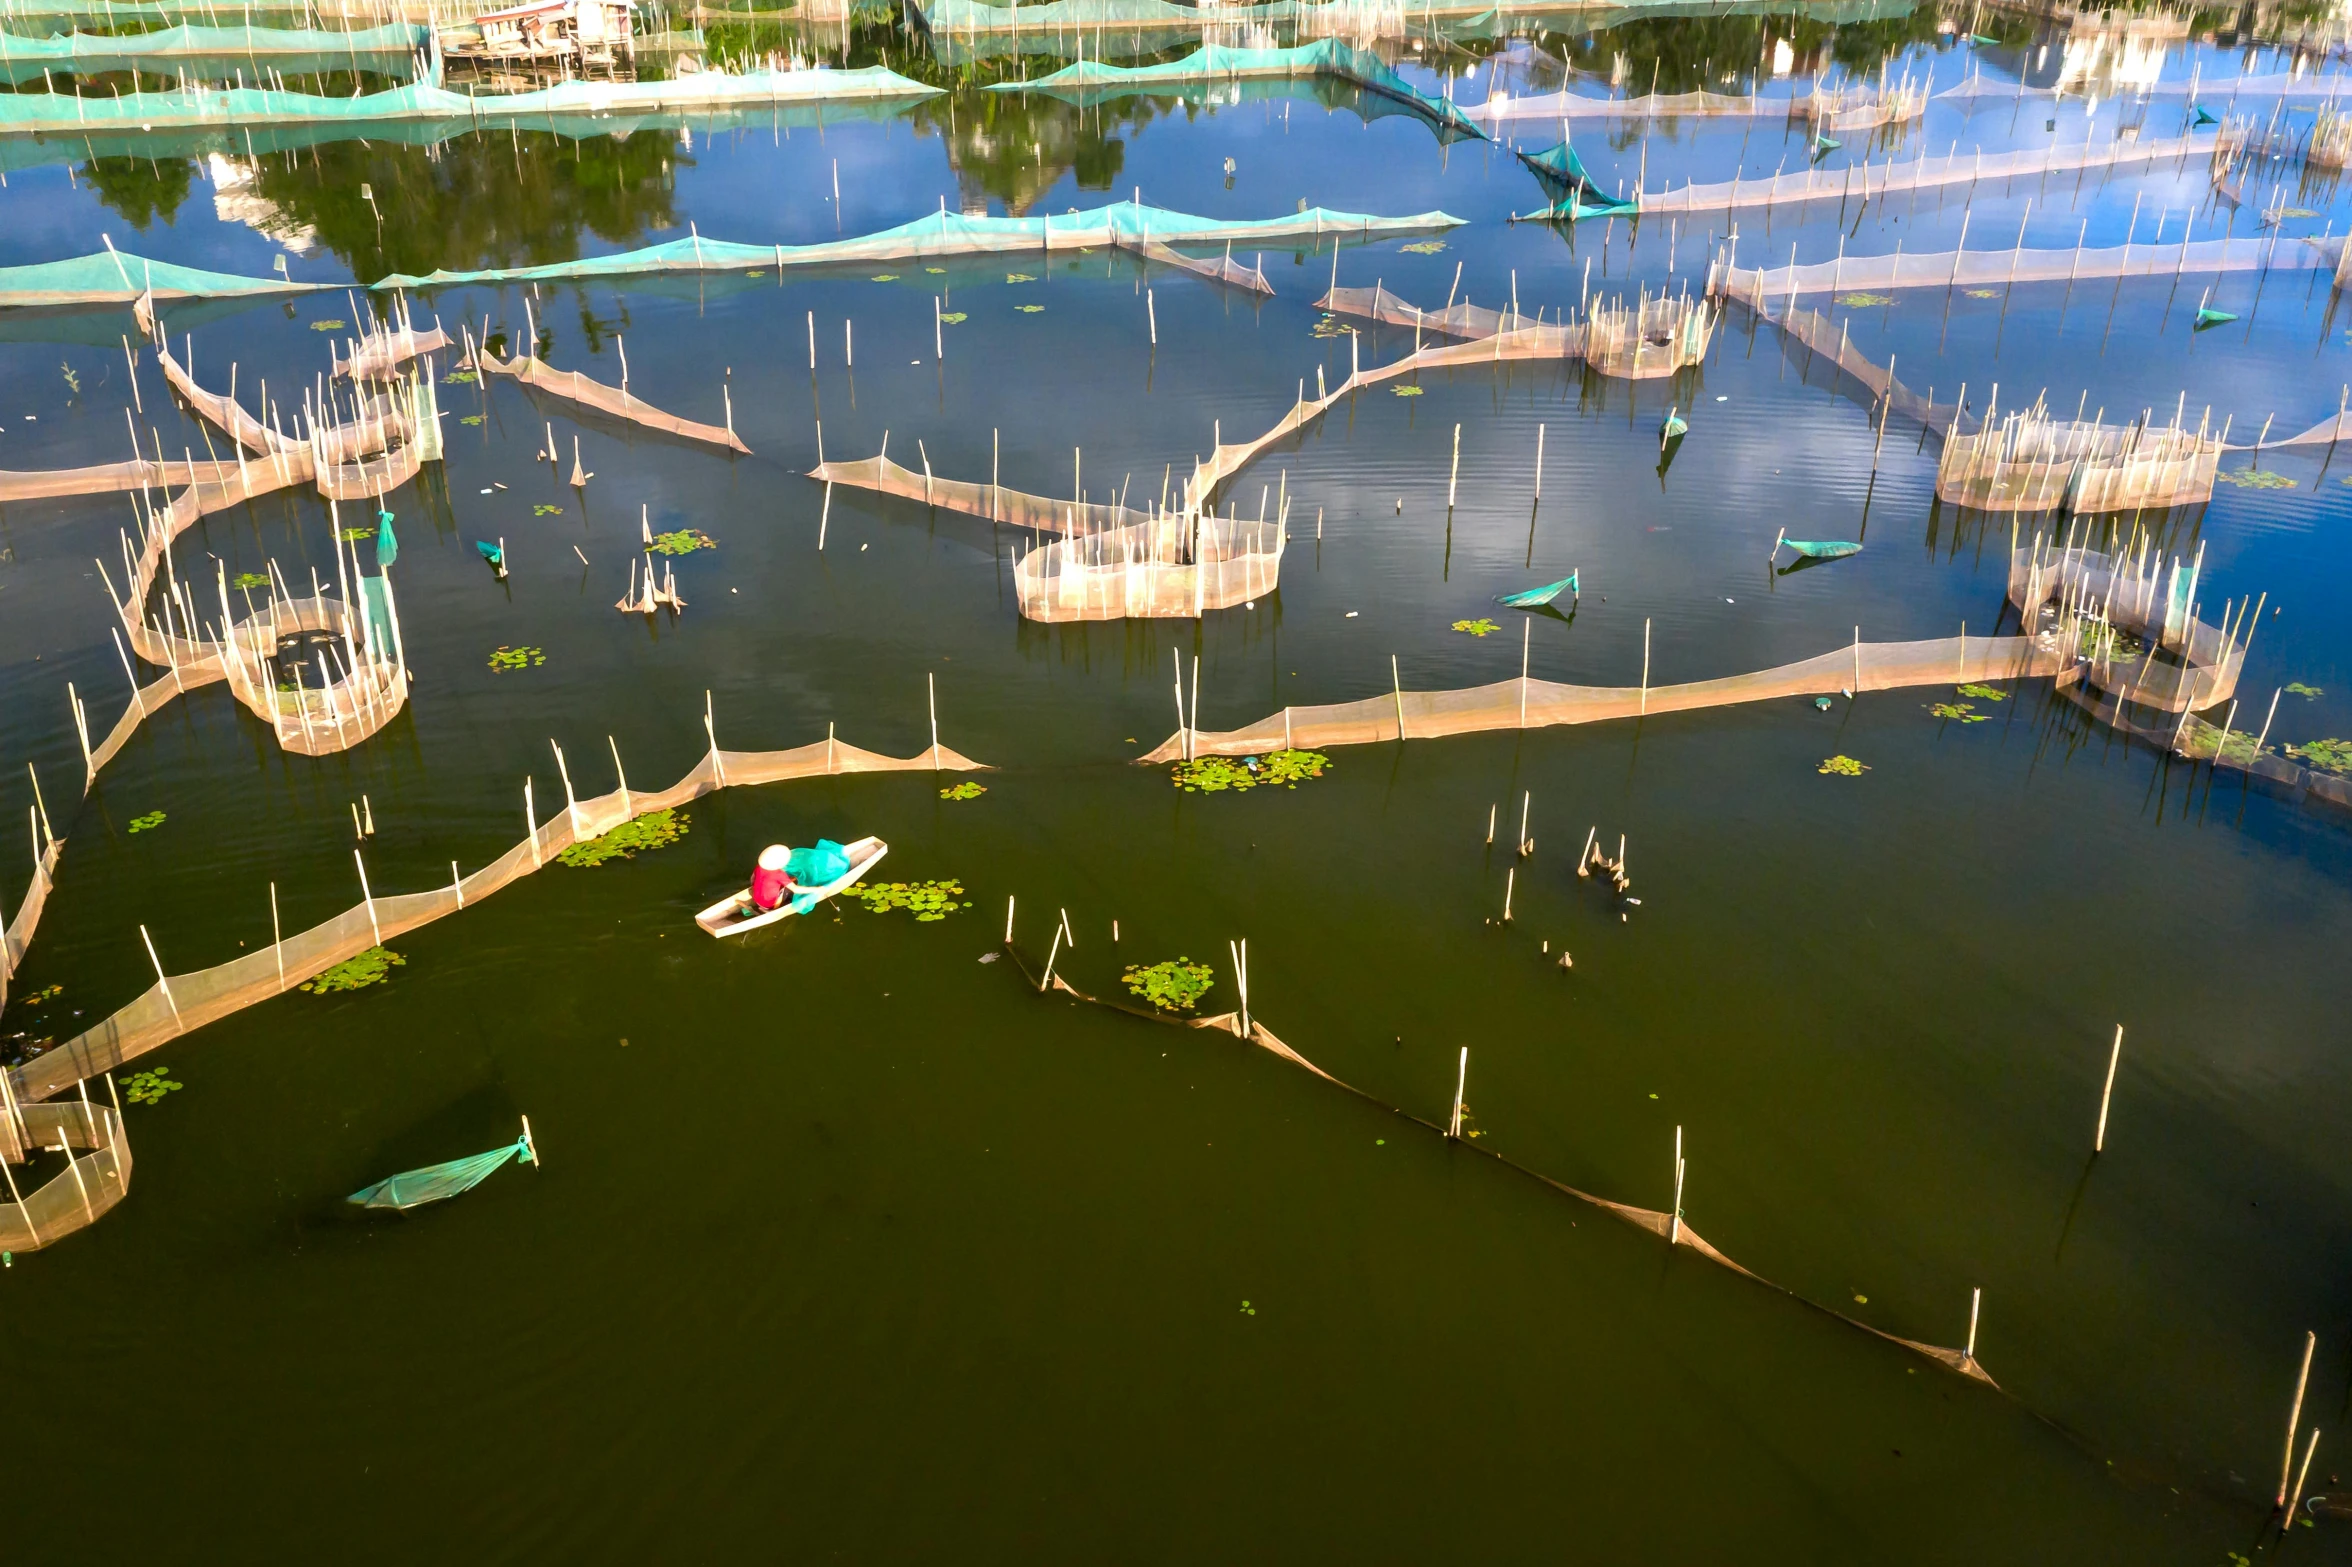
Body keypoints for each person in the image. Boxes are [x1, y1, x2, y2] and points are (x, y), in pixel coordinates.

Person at [749, 844, 797, 913]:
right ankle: (774, 909)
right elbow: (796, 889)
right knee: (787, 890)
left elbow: (752, 879)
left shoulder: (759, 867)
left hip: (756, 898)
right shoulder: (779, 874)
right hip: (768, 905)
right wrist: (815, 889)